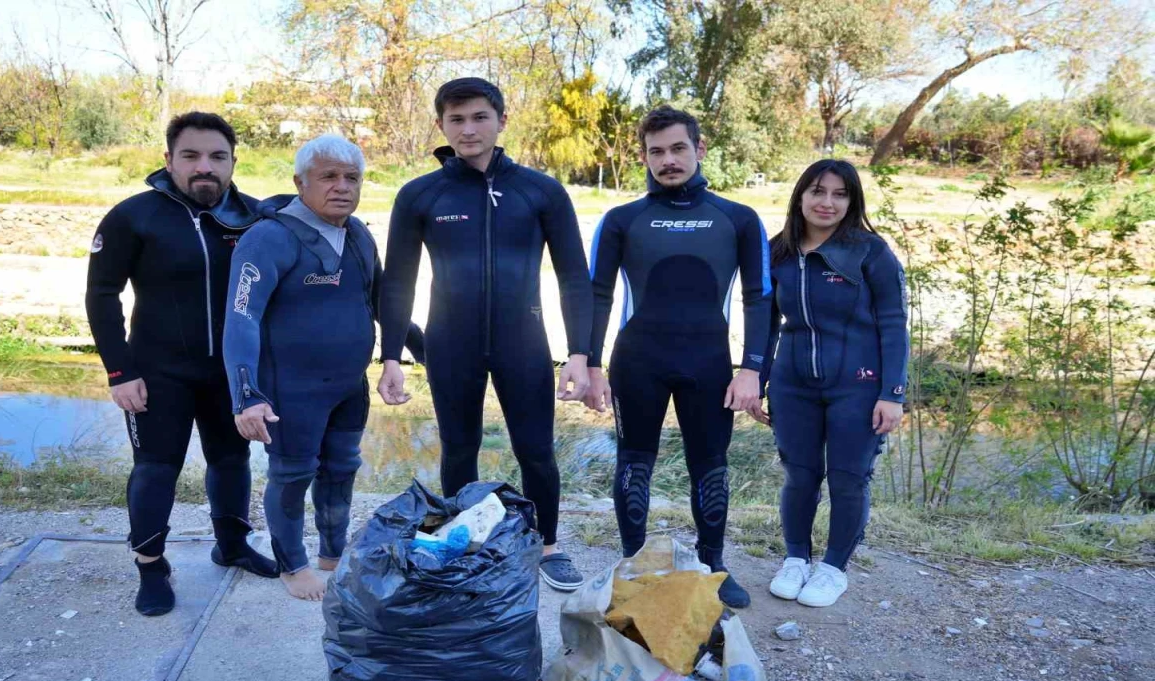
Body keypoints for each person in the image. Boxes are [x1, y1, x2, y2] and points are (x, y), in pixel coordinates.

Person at [377, 77, 593, 592]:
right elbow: (398, 280)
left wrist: (580, 354)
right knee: (458, 448)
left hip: (525, 341)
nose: (468, 129)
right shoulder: (420, 195)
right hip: (451, 342)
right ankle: (466, 540)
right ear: (441, 125)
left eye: (479, 117)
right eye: (457, 119)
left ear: (501, 120)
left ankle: (548, 544)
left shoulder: (540, 190)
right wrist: (388, 356)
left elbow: (574, 276)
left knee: (536, 450)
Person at [86, 112, 277, 617]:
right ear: (168, 160)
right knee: (155, 470)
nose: (204, 168)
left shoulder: (255, 218)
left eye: (217, 157)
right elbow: (102, 294)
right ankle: (151, 567)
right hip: (157, 372)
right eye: (190, 156)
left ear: (233, 162)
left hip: (229, 375)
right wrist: (120, 372)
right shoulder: (133, 217)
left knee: (233, 462)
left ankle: (232, 546)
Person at [583, 105, 771, 608]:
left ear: (699, 149)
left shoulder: (739, 219)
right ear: (643, 156)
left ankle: (713, 564)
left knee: (710, 465)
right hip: (637, 361)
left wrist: (753, 369)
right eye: (656, 151)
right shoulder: (623, 220)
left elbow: (760, 296)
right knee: (634, 463)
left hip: (709, 363)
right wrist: (590, 364)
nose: (667, 160)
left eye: (678, 148)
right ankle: (634, 564)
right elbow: (597, 293)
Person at [222, 134, 424, 601]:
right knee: (292, 476)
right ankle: (292, 567)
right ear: (300, 182)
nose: (342, 186)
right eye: (328, 176)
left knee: (341, 470)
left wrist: (426, 352)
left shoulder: (357, 235)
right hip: (291, 391)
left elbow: (384, 302)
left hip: (347, 388)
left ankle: (333, 555)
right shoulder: (269, 237)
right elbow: (241, 317)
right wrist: (246, 394)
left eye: (352, 177)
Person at [758, 159, 908, 608]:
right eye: (817, 191)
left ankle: (832, 568)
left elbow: (895, 324)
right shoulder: (778, 252)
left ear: (852, 200)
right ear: (800, 195)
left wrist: (892, 393)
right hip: (793, 383)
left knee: (848, 478)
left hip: (858, 385)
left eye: (839, 194)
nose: (827, 202)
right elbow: (763, 326)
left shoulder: (870, 252)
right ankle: (796, 558)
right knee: (799, 476)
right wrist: (757, 379)